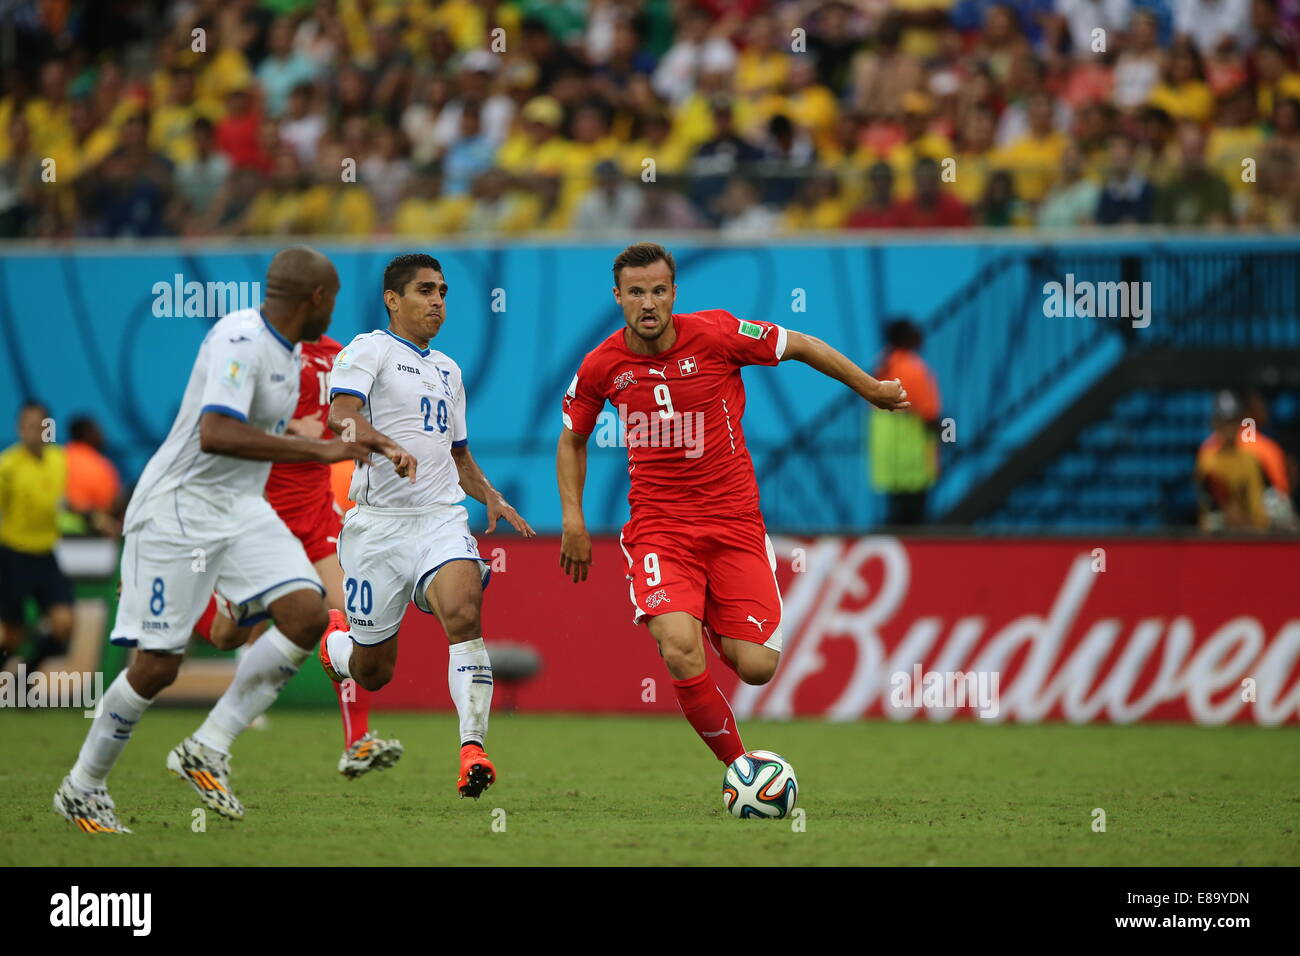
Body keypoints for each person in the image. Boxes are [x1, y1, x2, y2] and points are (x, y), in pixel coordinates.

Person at [53, 247, 373, 834]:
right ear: (316, 300)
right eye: (333, 298)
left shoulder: (294, 352)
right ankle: (83, 786)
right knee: (157, 667)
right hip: (177, 511)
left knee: (307, 615)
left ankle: (208, 745)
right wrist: (318, 449)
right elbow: (215, 431)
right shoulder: (240, 340)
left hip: (240, 509)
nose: (335, 310)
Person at [555, 242, 909, 772]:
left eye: (657, 291)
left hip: (733, 523)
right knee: (677, 644)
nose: (648, 303)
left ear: (674, 293)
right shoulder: (603, 365)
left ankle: (711, 621)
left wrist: (872, 389)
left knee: (757, 667)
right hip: (659, 528)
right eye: (635, 293)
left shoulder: (718, 334)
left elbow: (802, 345)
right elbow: (571, 440)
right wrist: (573, 520)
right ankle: (741, 768)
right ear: (618, 297)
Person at [319, 253, 535, 799]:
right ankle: (336, 649)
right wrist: (384, 444)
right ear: (393, 299)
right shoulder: (368, 349)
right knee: (373, 672)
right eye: (424, 290)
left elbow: (458, 456)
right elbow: (340, 418)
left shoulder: (449, 369)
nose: (437, 300)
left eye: (442, 291)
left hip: (439, 520)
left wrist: (490, 494)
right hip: (377, 528)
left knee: (464, 611)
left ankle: (472, 749)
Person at [190, 329, 404, 779]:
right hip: (261, 510)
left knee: (348, 616)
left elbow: (353, 418)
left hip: (315, 515)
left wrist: (365, 439)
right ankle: (188, 607)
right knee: (229, 635)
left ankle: (357, 743)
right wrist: (287, 428)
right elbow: (220, 423)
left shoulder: (339, 356)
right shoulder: (258, 352)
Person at [0, 401, 75, 672]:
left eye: (38, 425)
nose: (32, 431)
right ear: (20, 429)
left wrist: (91, 517)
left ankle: (26, 674)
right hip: (13, 555)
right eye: (26, 426)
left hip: (45, 555)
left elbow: (66, 503)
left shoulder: (59, 460)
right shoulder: (7, 466)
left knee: (64, 624)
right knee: (12, 637)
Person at [869, 318, 942, 524]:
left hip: (889, 457)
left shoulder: (884, 364)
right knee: (916, 513)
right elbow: (928, 411)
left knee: (897, 510)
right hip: (912, 454)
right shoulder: (913, 368)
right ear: (906, 338)